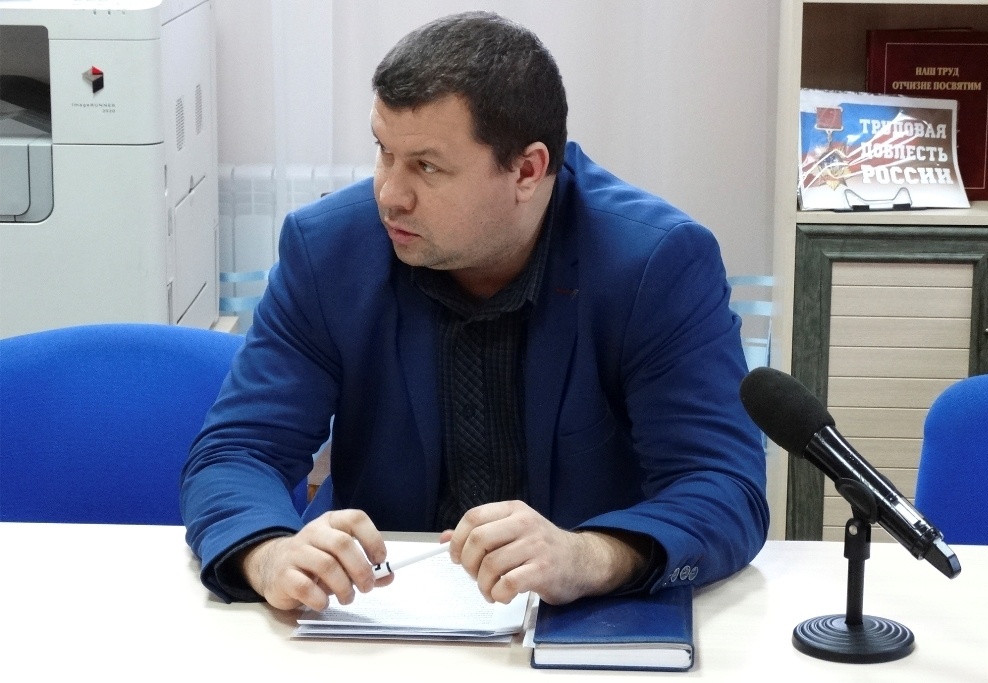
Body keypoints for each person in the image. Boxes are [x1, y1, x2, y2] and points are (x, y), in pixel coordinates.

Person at [181, 11, 768, 612]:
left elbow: (723, 486)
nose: (390, 194)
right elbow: (238, 451)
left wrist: (590, 556)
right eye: (384, 152)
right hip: (380, 615)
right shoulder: (328, 251)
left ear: (527, 170)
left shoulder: (654, 264)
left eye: (426, 166)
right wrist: (268, 554)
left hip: (577, 621)